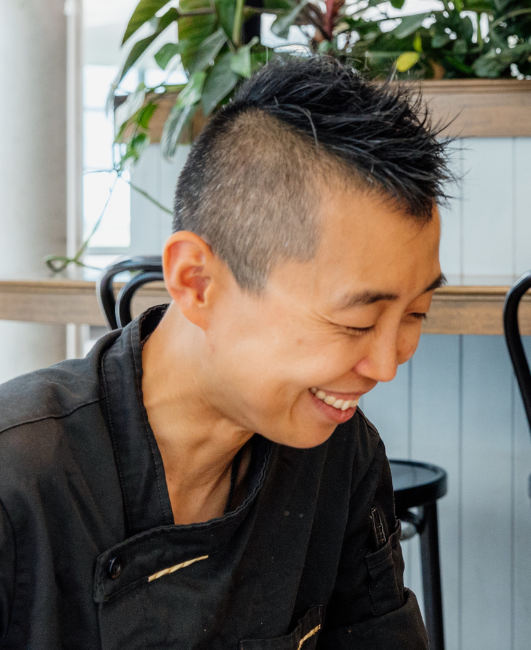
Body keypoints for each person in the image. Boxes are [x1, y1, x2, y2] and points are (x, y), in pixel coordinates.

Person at [0, 56, 449, 649]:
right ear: (197, 282)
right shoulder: (20, 477)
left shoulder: (340, 456)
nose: (387, 365)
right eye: (356, 321)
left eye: (416, 313)